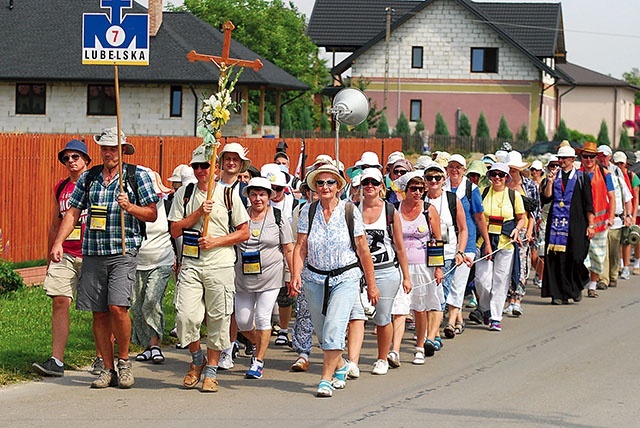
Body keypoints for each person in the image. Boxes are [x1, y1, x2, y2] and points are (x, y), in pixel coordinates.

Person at [50, 127, 159, 389]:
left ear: (123, 151)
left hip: (123, 251)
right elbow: (73, 212)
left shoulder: (137, 176)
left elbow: (153, 213)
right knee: (98, 313)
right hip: (93, 252)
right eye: (105, 148)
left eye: (113, 148)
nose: (109, 153)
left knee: (117, 308)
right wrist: (58, 242)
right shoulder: (90, 177)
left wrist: (130, 207)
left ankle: (123, 362)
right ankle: (107, 368)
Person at [290, 162, 378, 398]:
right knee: (321, 331)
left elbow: (362, 249)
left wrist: (371, 284)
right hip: (314, 278)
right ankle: (339, 366)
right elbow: (300, 247)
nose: (325, 186)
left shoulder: (349, 211)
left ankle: (325, 379)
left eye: (330, 182)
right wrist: (295, 274)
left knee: (334, 328)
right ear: (314, 187)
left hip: (345, 277)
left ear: (339, 186)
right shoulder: (308, 211)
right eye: (320, 182)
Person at [168, 143, 250, 393]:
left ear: (214, 166)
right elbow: (175, 229)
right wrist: (197, 214)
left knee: (218, 318)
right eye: (197, 166)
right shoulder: (185, 193)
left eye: (205, 165)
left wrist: (216, 241)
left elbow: (244, 232)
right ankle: (196, 360)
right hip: (192, 262)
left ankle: (212, 371)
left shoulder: (227, 193)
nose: (201, 170)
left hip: (220, 264)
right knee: (185, 316)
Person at [32, 140, 96, 377]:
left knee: (99, 308)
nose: (71, 161)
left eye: (75, 157)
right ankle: (56, 360)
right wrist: (50, 253)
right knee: (60, 301)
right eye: (66, 158)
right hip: (66, 252)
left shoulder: (97, 184)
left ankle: (102, 358)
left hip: (92, 252)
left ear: (87, 160)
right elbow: (55, 223)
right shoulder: (61, 188)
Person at [352, 168, 411, 375]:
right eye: (366, 182)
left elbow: (400, 246)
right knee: (356, 316)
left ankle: (382, 358)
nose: (369, 186)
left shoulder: (389, 211)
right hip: (357, 272)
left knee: (383, 317)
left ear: (381, 187)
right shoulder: (352, 210)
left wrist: (406, 276)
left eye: (374, 183)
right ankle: (353, 361)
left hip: (386, 271)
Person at [234, 177, 294, 379]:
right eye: (253, 194)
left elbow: (288, 248)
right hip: (242, 277)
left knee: (262, 317)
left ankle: (258, 361)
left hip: (270, 276)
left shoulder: (278, 217)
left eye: (262, 194)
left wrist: (293, 275)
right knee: (243, 322)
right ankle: (256, 342)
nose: (258, 198)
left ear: (269, 196)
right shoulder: (240, 216)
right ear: (248, 196)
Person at [394, 170, 444, 364]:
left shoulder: (428, 210)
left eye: (420, 189)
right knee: (400, 308)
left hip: (423, 265)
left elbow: (437, 239)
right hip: (401, 267)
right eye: (413, 189)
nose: (417, 193)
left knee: (420, 308)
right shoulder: (395, 209)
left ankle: (420, 346)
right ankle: (395, 350)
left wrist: (438, 268)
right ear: (405, 190)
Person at [473, 163, 526, 331]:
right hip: (484, 242)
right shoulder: (483, 193)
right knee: (482, 280)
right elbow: (477, 216)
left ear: (506, 177)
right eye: (494, 174)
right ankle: (485, 307)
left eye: (501, 175)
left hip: (505, 242)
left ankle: (495, 317)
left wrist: (517, 230)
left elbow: (522, 218)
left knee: (501, 281)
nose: (497, 177)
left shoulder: (513, 195)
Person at [422, 162, 467, 352]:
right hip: (423, 254)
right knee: (425, 294)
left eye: (438, 178)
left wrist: (460, 251)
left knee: (441, 292)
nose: (434, 181)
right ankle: (432, 332)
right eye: (429, 178)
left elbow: (463, 229)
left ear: (444, 180)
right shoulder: (419, 198)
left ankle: (432, 336)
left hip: (447, 253)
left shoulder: (451, 199)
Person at [541, 144, 594, 304]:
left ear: (572, 160)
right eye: (559, 158)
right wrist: (549, 182)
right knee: (557, 259)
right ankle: (558, 294)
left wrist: (590, 225)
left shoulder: (581, 177)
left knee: (576, 257)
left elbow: (588, 203)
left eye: (564, 158)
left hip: (577, 223)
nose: (561, 161)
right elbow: (546, 198)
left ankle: (576, 287)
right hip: (556, 224)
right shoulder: (553, 176)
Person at [443, 154, 488, 339]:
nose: (454, 170)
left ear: (464, 170)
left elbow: (479, 217)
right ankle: (459, 318)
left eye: (458, 167)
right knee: (447, 281)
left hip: (466, 242)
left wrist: (486, 242)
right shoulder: (441, 186)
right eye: (451, 166)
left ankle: (451, 322)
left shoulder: (471, 189)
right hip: (445, 241)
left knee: (459, 282)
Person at [132, 171, 175, 364]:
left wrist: (180, 258)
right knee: (137, 305)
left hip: (162, 260)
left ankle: (156, 344)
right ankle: (146, 346)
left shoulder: (167, 204)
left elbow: (176, 231)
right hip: (136, 261)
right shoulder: (132, 206)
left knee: (151, 300)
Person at [504, 151, 540, 317]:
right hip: (506, 229)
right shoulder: (502, 184)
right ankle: (509, 298)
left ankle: (517, 298)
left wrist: (530, 230)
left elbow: (534, 212)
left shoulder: (529, 185)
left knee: (522, 264)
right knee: (506, 265)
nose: (512, 172)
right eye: (509, 169)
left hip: (524, 228)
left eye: (514, 169)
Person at [578, 141, 615, 298]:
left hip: (600, 222)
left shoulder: (605, 174)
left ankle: (592, 285)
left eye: (592, 156)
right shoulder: (577, 173)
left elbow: (612, 197)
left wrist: (612, 217)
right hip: (580, 221)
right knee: (580, 254)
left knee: (597, 255)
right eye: (585, 156)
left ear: (596, 157)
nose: (588, 159)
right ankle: (579, 283)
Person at [597, 145, 633, 289]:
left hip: (617, 220)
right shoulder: (596, 173)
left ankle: (613, 275)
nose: (602, 158)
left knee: (613, 251)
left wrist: (629, 215)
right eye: (599, 155)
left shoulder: (617, 173)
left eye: (604, 155)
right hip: (601, 220)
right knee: (603, 251)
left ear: (610, 156)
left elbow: (627, 198)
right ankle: (603, 279)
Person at [613, 151, 640, 278]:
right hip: (618, 213)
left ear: (626, 164)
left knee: (628, 240)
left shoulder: (631, 176)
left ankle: (628, 266)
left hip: (629, 213)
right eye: (616, 163)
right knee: (618, 241)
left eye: (621, 163)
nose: (619, 166)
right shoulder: (611, 175)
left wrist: (633, 215)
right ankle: (619, 264)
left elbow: (635, 198)